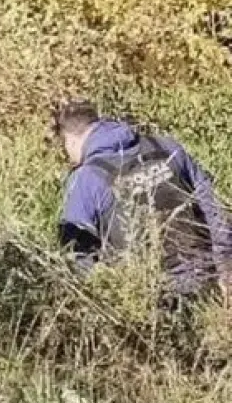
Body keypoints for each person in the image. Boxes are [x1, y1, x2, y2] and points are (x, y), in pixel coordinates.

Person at [52, 100, 232, 299]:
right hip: (204, 282)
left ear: (71, 140)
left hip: (146, 296)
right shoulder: (166, 146)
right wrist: (225, 266)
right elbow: (212, 208)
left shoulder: (86, 179)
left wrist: (103, 296)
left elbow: (76, 251)